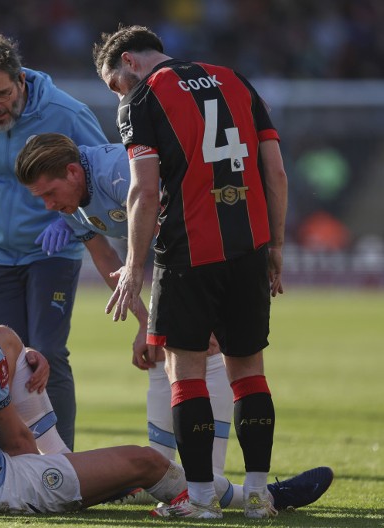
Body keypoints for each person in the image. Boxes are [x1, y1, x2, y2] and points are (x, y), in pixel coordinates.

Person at [0, 242, 333, 514]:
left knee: (7, 338)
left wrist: (21, 356)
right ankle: (253, 497)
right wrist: (61, 472)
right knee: (146, 462)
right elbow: (18, 445)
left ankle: (84, 469)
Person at [92, 24, 289, 518]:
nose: (121, 92)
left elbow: (142, 190)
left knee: (186, 372)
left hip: (187, 252)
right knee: (249, 372)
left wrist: (134, 265)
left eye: (117, 83)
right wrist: (277, 243)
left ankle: (200, 499)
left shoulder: (141, 100)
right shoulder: (235, 79)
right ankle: (259, 495)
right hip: (248, 247)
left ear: (129, 63)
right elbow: (277, 171)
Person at [15, 132, 235, 504]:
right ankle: (164, 479)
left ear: (72, 172)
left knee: (207, 350)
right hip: (180, 254)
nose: (50, 205)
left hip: (211, 241)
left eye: (50, 194)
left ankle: (210, 482)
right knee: (158, 353)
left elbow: (181, 231)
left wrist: (202, 314)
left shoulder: (118, 172)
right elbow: (107, 260)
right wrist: (145, 322)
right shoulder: (73, 201)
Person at [0, 35, 107, 451]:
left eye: (2, 94)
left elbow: (100, 175)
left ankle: (63, 461)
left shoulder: (66, 113)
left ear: (22, 80)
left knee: (48, 350)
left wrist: (68, 226)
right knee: (3, 356)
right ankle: (16, 456)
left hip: (51, 252)